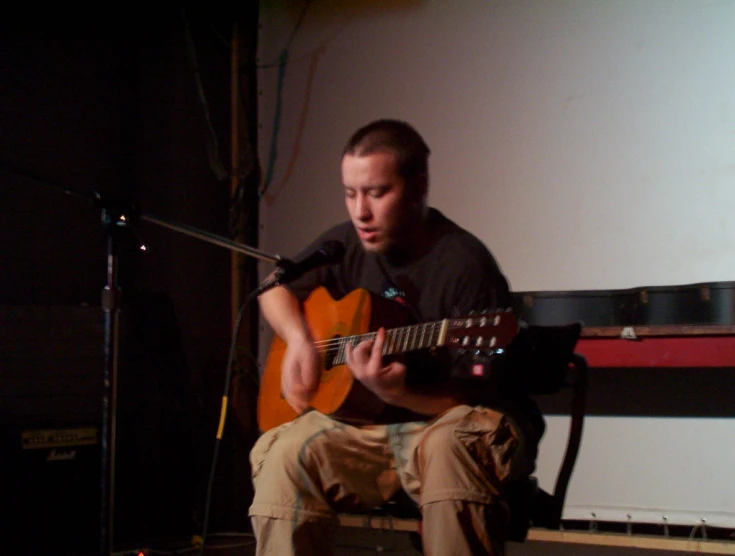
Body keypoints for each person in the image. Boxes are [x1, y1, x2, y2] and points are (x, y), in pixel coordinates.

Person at [249, 119, 544, 555]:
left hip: (447, 421)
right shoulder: (344, 243)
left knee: (451, 444)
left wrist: (397, 391)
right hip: (371, 428)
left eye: (377, 193)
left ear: (418, 188)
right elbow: (274, 288)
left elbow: (478, 396)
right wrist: (297, 342)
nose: (360, 212)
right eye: (350, 194)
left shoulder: (463, 264)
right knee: (285, 452)